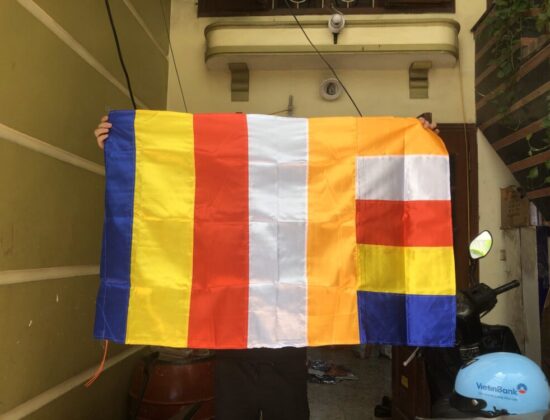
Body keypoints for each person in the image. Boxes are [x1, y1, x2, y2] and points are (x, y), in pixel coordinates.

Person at [94, 113, 438, 420]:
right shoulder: (219, 211)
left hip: (286, 348)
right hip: (232, 350)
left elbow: (350, 182)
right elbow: (169, 186)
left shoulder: (302, 207)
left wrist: (415, 140)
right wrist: (121, 147)